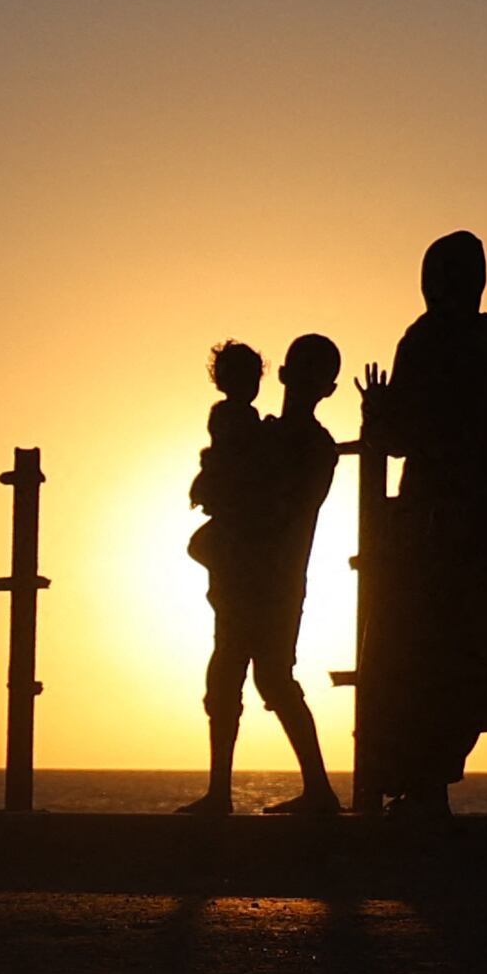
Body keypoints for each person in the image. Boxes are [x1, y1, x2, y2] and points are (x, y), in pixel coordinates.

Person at [359, 231, 487, 817]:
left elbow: (398, 440)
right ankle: (437, 780)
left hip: (432, 529)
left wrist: (377, 409)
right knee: (461, 646)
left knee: (438, 650)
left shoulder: (425, 342)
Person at [177, 335, 345, 817]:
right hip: (246, 573)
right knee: (232, 675)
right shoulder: (263, 433)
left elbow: (288, 509)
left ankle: (311, 790)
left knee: (268, 678)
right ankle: (224, 792)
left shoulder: (314, 446)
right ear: (287, 376)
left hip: (274, 579)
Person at [186, 340, 265, 571]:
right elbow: (241, 448)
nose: (251, 385)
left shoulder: (234, 412)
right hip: (231, 488)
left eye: (254, 378)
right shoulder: (232, 413)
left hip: (230, 489)